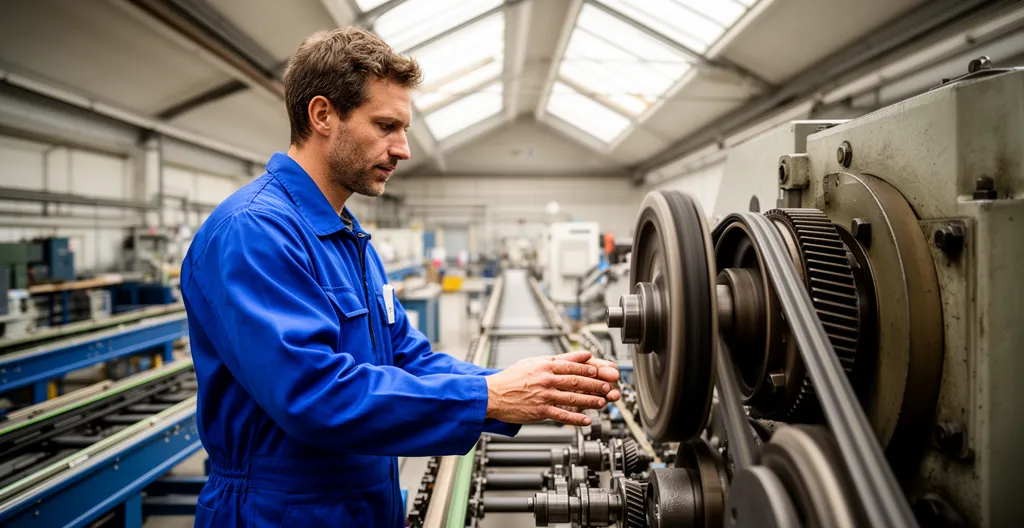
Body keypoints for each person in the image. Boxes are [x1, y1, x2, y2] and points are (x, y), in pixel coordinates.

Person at [180, 27, 620, 527]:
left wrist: (523, 385)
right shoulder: (254, 232)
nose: (404, 148)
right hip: (278, 512)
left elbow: (408, 358)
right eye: (386, 125)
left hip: (361, 504)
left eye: (404, 128)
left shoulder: (347, 235)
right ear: (323, 115)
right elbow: (313, 396)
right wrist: (490, 398)